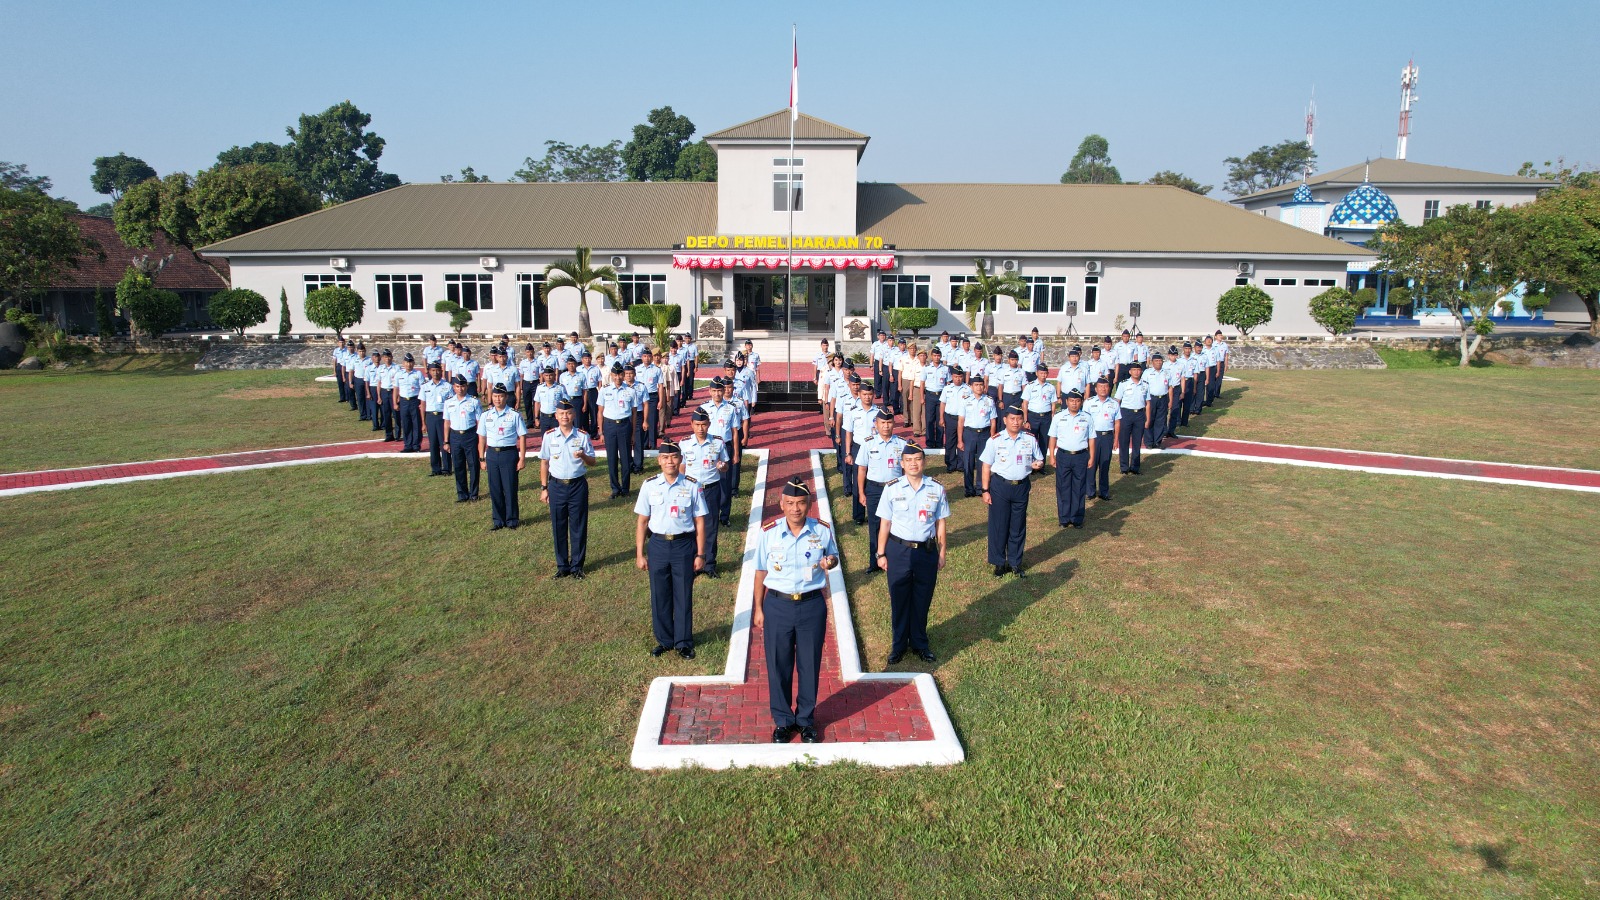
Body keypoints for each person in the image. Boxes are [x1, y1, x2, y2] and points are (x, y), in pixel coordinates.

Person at [752, 476, 839, 744]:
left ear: (809, 504)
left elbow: (832, 557)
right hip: (777, 604)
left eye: (801, 503)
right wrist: (758, 608)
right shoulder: (768, 532)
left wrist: (830, 561)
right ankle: (782, 721)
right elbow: (760, 571)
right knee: (778, 664)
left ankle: (805, 720)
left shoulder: (822, 530)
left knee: (809, 663)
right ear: (781, 504)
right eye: (790, 503)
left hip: (811, 604)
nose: (795, 509)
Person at [634, 443, 708, 660]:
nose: (670, 462)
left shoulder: (692, 486)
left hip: (683, 546)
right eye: (665, 458)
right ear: (659, 461)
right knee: (660, 594)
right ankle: (664, 640)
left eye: (674, 457)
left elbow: (700, 522)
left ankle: (683, 642)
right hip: (657, 545)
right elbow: (642, 522)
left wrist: (701, 553)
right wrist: (640, 554)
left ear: (680, 459)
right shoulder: (649, 486)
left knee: (683, 594)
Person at [874, 444, 946, 665]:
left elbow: (940, 522)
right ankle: (898, 646)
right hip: (898, 551)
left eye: (918, 459)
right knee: (899, 598)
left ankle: (920, 643)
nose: (914, 463)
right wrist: (880, 553)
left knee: (922, 598)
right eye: (909, 460)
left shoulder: (936, 489)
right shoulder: (892, 488)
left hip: (926, 551)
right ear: (902, 463)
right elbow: (885, 523)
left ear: (924, 462)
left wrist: (942, 552)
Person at [980, 407, 1045, 577]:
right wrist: (985, 490)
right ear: (1005, 420)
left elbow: (1039, 459)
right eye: (1012, 419)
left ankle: (1015, 562)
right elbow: (986, 466)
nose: (1016, 422)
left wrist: (1038, 465)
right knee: (999, 525)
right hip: (1000, 486)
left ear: (1023, 421)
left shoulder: (1030, 439)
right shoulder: (995, 440)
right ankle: (999, 563)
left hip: (1021, 487)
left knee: (1018, 526)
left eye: (1019, 419)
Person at [540, 399, 595, 578]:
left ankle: (577, 566)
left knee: (578, 526)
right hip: (556, 486)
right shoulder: (549, 436)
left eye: (568, 413)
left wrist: (584, 455)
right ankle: (562, 565)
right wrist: (544, 487)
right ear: (556, 416)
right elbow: (544, 462)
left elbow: (593, 462)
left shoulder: (582, 436)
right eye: (561, 413)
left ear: (574, 415)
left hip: (577, 485)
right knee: (558, 525)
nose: (565, 416)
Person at [856, 410, 907, 573]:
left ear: (894, 424)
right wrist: (861, 493)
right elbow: (862, 470)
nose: (885, 426)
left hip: (895, 489)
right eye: (882, 423)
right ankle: (875, 561)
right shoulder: (868, 443)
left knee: (896, 524)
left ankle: (893, 560)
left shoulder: (902, 444)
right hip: (874, 490)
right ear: (876, 424)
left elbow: (906, 472)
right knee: (875, 526)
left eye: (889, 422)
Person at [680, 411, 729, 578]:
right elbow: (682, 466)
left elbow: (725, 465)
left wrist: (722, 467)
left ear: (708, 424)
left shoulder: (718, 442)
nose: (700, 428)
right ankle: (694, 563)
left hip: (711, 489)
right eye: (697, 425)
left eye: (703, 425)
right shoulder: (684, 443)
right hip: (691, 490)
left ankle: (709, 564)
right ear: (692, 424)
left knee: (711, 527)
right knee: (690, 526)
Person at [477, 385, 527, 530]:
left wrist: (522, 458)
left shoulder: (514, 415)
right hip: (492, 454)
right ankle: (498, 520)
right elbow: (482, 438)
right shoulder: (486, 415)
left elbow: (522, 437)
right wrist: (482, 458)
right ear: (491, 397)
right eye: (495, 396)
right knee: (495, 489)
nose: (497, 399)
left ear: (506, 397)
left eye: (500, 396)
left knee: (510, 487)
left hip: (508, 454)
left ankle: (512, 520)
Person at [700, 378, 744, 525]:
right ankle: (708, 514)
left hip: (726, 447)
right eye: (714, 391)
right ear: (710, 391)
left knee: (725, 483)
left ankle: (724, 516)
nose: (717, 393)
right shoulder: (704, 408)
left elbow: (735, 432)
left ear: (724, 391)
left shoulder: (730, 408)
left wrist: (736, 453)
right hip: (708, 448)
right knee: (709, 480)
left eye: (720, 390)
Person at [1047, 389, 1093, 528]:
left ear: (1081, 402)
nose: (1074, 403)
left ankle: (1077, 518)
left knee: (1079, 487)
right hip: (1063, 455)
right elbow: (1052, 437)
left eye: (1077, 401)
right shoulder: (1058, 417)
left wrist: (1091, 457)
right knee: (1063, 487)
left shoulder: (1087, 417)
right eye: (1072, 401)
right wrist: (1052, 456)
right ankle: (1064, 518)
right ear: (1066, 402)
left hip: (1081, 456)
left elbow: (1091, 439)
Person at [599, 363, 640, 498]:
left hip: (624, 426)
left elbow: (634, 413)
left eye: (620, 374)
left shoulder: (630, 391)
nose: (618, 377)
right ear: (611, 375)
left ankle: (625, 488)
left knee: (626, 458)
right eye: (615, 375)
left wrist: (633, 433)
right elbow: (600, 412)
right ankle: (615, 488)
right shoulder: (604, 390)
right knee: (611, 459)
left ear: (623, 375)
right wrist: (601, 432)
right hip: (609, 426)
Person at [957, 373, 998, 498]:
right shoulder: (965, 401)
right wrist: (960, 440)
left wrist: (992, 436)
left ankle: (981, 488)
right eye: (976, 385)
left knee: (982, 462)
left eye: (981, 385)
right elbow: (960, 421)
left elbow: (993, 421)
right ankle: (969, 489)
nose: (979, 387)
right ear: (971, 386)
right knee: (968, 462)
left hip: (984, 434)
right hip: (969, 433)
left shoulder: (989, 401)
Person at [444, 375, 481, 502]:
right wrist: (446, 441)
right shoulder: (449, 402)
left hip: (470, 435)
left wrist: (481, 440)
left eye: (463, 386)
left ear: (467, 386)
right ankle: (462, 494)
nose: (460, 389)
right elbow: (447, 422)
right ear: (454, 387)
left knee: (473, 465)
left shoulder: (474, 401)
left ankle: (474, 493)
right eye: (457, 386)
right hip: (455, 436)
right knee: (458, 466)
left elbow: (479, 422)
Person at [1084, 378, 1120, 501]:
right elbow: (1084, 422)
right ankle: (1090, 491)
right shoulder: (1088, 402)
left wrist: (1115, 440)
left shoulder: (1114, 403)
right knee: (1091, 464)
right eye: (1100, 386)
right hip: (1093, 437)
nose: (1103, 389)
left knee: (1105, 464)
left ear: (1109, 388)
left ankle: (1104, 492)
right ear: (1096, 389)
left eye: (1105, 386)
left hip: (1107, 437)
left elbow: (1117, 422)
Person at [1114, 360, 1149, 475]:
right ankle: (1124, 467)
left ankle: (1135, 467)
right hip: (1126, 414)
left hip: (1139, 414)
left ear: (1141, 371)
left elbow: (1148, 403)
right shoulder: (1123, 384)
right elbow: (1117, 401)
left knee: (1137, 442)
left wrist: (1147, 418)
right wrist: (1116, 418)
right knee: (1123, 441)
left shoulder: (1145, 385)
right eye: (1134, 370)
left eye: (1138, 370)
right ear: (1130, 371)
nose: (1136, 372)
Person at [421, 362, 452, 475]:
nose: (435, 372)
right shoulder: (425, 386)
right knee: (433, 443)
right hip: (430, 417)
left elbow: (451, 404)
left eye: (437, 370)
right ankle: (436, 469)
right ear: (429, 372)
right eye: (433, 370)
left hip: (443, 417)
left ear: (441, 371)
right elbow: (423, 405)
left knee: (444, 441)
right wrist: (423, 422)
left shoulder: (447, 386)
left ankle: (447, 468)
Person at [938, 368, 968, 474]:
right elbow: (943, 403)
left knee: (962, 441)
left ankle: (961, 464)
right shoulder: (947, 388)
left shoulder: (968, 389)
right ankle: (951, 464)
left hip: (964, 419)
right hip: (950, 418)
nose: (958, 379)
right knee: (950, 441)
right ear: (952, 377)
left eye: (960, 377)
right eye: (956, 377)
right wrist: (941, 418)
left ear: (963, 377)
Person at [1021, 367, 1058, 450]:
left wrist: (1052, 418)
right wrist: (1025, 420)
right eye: (1041, 373)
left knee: (1044, 442)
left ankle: (1042, 462)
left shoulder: (1051, 387)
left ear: (1047, 374)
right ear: (1037, 373)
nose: (1043, 375)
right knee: (1030, 442)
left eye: (1045, 373)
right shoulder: (1030, 386)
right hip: (1032, 417)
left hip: (1046, 418)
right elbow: (1025, 404)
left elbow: (1053, 405)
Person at [394, 352, 424, 453]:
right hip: (403, 401)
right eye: (407, 362)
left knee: (416, 423)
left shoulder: (418, 374)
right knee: (406, 424)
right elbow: (396, 389)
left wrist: (421, 402)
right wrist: (395, 402)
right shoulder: (399, 374)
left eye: (410, 362)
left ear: (414, 363)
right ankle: (407, 445)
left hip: (415, 400)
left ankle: (416, 445)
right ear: (403, 363)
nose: (408, 364)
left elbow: (422, 389)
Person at [635, 349, 665, 449]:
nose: (646, 358)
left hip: (652, 397)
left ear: (651, 357)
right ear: (642, 357)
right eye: (644, 356)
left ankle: (652, 444)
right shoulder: (637, 369)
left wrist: (660, 400)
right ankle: (644, 444)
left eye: (648, 356)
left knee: (652, 421)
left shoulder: (656, 369)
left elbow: (660, 386)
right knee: (642, 420)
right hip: (640, 398)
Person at [920, 349, 950, 449]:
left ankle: (939, 442)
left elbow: (948, 383)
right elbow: (922, 383)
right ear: (931, 356)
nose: (936, 357)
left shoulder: (945, 369)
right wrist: (922, 397)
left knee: (940, 419)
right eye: (934, 355)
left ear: (940, 356)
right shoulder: (926, 368)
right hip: (930, 395)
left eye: (938, 355)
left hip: (941, 395)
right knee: (929, 419)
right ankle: (930, 442)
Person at [1142, 353, 1170, 449]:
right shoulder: (1147, 372)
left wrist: (1170, 400)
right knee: (1149, 419)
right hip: (1151, 399)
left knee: (1160, 420)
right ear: (1152, 362)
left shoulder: (1166, 372)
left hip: (1163, 398)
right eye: (1156, 361)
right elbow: (1143, 387)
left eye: (1160, 361)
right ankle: (1149, 441)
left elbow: (1170, 387)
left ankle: (1158, 441)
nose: (1159, 363)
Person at [533, 366, 565, 432]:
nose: (549, 377)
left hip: (556, 417)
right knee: (545, 439)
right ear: (543, 376)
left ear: (554, 375)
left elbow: (565, 403)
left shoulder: (560, 387)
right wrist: (536, 418)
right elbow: (537, 403)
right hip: (544, 417)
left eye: (551, 375)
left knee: (557, 439)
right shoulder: (540, 387)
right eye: (546, 375)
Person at [902, 348, 926, 437]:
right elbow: (911, 381)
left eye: (924, 356)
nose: (922, 357)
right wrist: (911, 394)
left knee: (925, 412)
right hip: (917, 389)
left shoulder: (928, 367)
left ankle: (924, 430)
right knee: (916, 411)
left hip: (926, 391)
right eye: (921, 356)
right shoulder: (915, 367)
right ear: (918, 357)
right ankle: (916, 430)